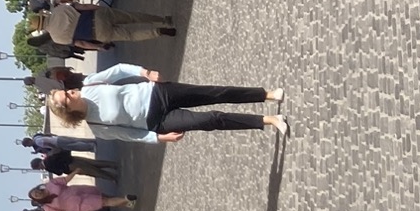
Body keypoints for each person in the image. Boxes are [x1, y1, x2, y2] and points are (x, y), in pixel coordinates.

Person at [44, 66, 289, 143]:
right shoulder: (97, 126)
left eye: (68, 91)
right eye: (67, 98)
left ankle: (266, 94)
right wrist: (159, 139)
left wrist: (145, 72)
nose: (72, 93)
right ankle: (268, 120)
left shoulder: (91, 85)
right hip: (157, 121)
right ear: (69, 110)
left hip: (159, 93)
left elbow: (118, 70)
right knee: (209, 120)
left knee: (214, 93)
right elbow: (130, 136)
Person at [33, 0, 177, 49]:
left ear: (41, 29)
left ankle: (157, 32)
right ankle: (163, 20)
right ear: (43, 15)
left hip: (98, 34)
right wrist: (98, 8)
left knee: (130, 35)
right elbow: (83, 7)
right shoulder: (59, 10)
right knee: (132, 17)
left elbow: (81, 44)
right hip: (97, 16)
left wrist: (98, 46)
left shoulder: (57, 38)